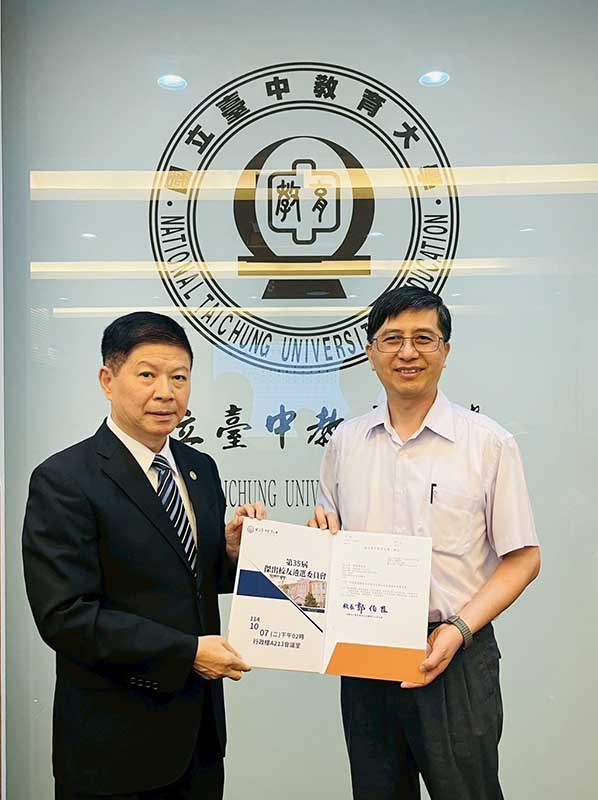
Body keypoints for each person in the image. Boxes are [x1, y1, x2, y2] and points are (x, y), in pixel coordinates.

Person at [309, 286, 540, 800]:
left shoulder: (488, 443)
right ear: (370, 352)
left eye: (423, 338)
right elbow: (333, 542)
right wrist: (321, 544)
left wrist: (459, 629)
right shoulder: (345, 443)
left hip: (457, 651)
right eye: (392, 339)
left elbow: (524, 558)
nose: (407, 352)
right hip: (367, 651)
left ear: (446, 350)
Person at [22, 311, 265, 800]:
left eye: (179, 377)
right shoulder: (65, 479)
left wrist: (231, 552)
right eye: (148, 375)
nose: (166, 393)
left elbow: (188, 575)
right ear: (107, 381)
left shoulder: (199, 467)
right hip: (114, 744)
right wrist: (188, 652)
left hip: (199, 740)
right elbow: (66, 616)